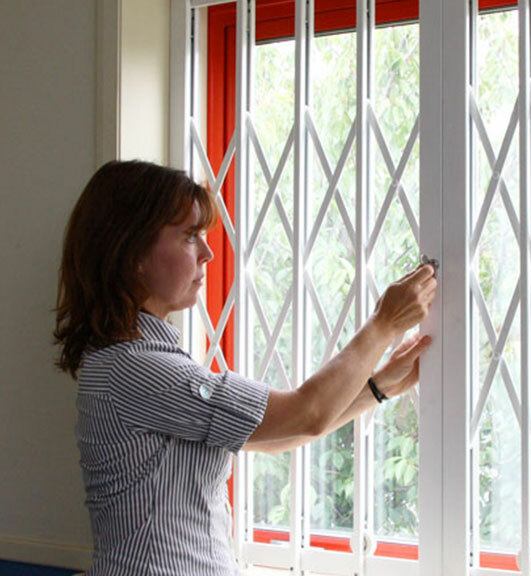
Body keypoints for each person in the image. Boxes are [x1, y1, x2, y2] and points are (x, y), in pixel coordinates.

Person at [54, 160, 437, 575]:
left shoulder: (130, 359)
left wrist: (378, 387)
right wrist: (383, 323)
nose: (208, 251)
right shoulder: (137, 368)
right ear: (132, 254)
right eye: (189, 236)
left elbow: (275, 434)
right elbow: (305, 413)